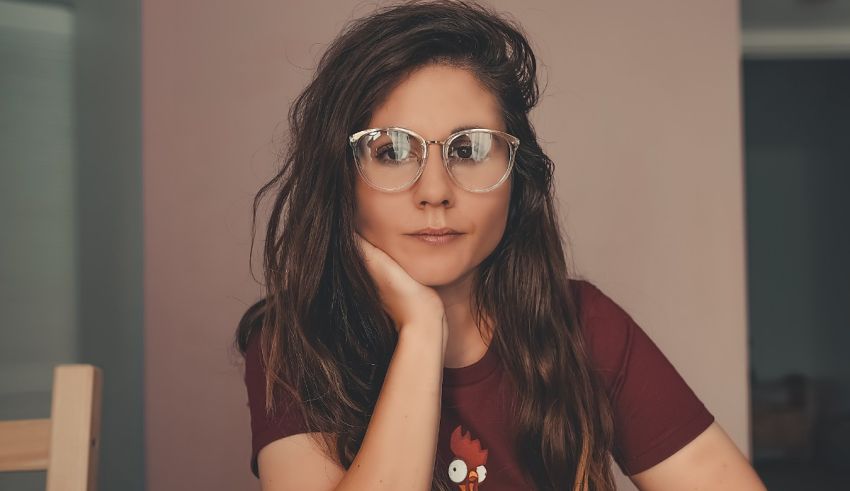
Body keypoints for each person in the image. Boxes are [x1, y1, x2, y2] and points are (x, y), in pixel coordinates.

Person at [235, 1, 766, 490]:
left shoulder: (583, 323)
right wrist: (422, 331)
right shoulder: (294, 344)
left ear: (517, 175)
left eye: (470, 149)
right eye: (393, 151)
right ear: (341, 176)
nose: (436, 191)